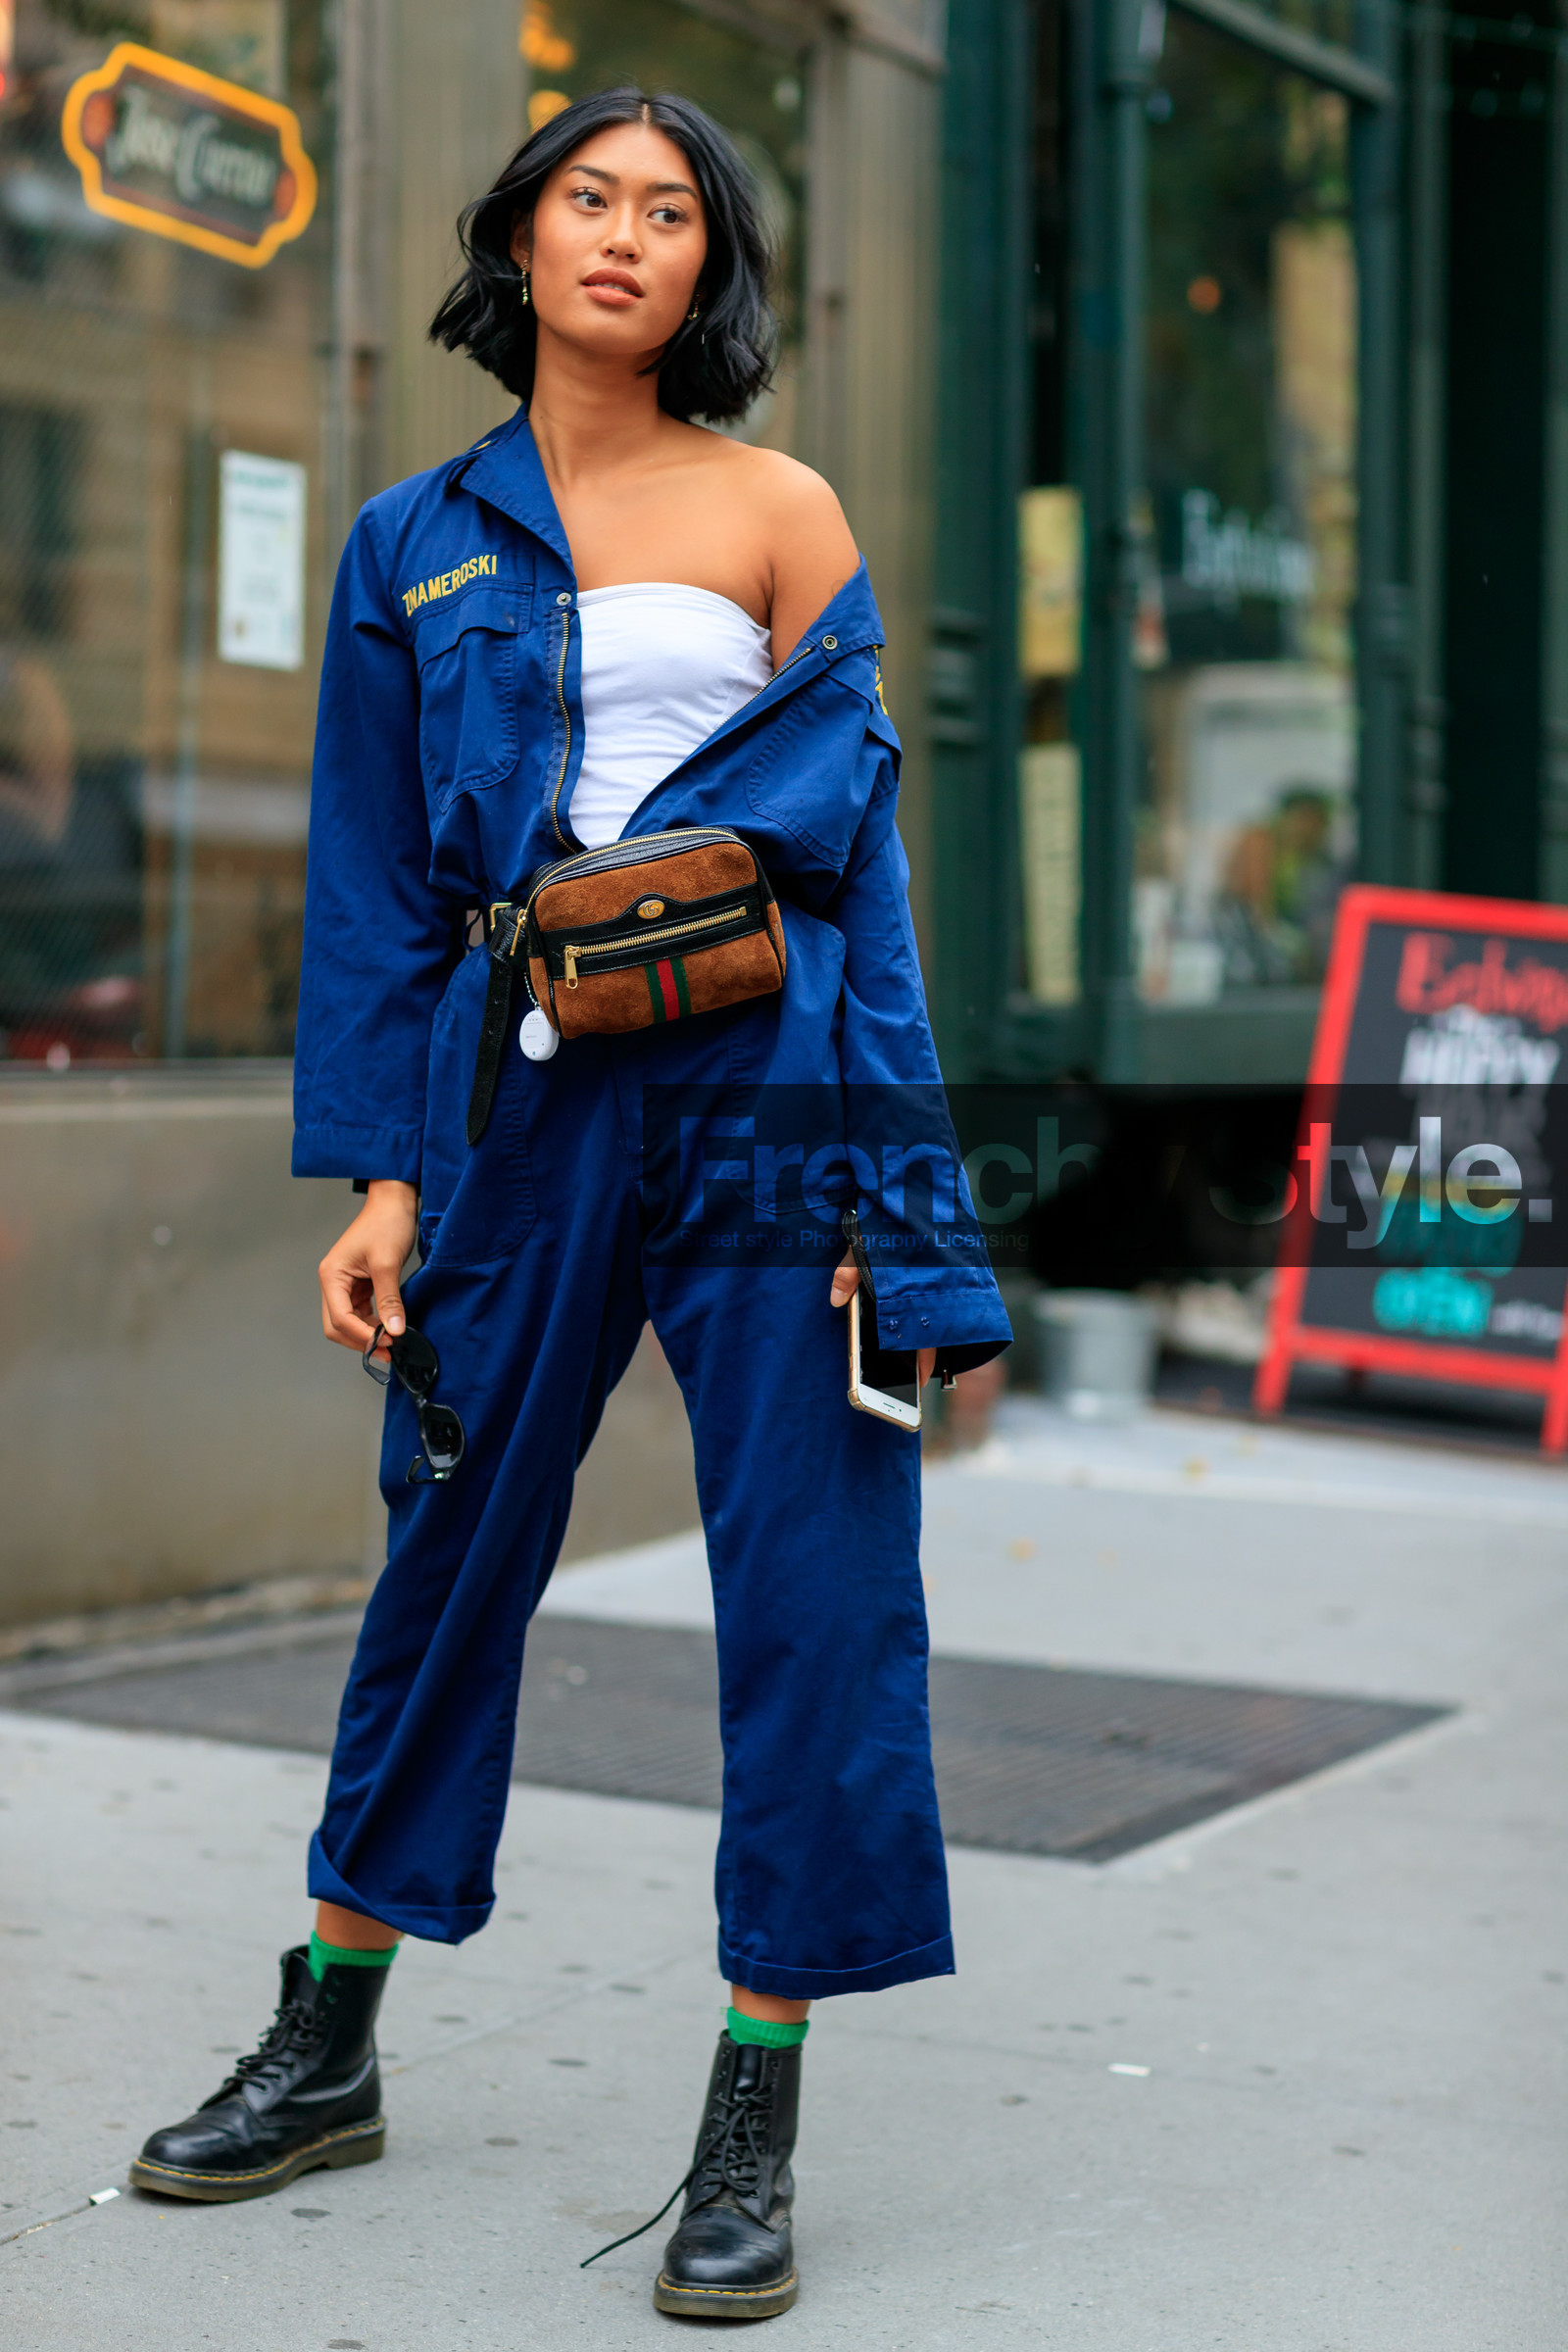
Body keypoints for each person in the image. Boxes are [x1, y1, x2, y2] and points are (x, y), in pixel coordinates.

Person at [131, 86, 1009, 2320]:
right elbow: (374, 893)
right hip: (516, 1108)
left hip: (762, 1087)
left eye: (672, 213)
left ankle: (752, 2103)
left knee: (809, 1591)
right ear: (518, 240)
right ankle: (325, 2040)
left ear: (712, 271)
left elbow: (866, 891)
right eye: (587, 200)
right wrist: (384, 1176)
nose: (625, 236)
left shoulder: (780, 508)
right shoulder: (414, 540)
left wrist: (898, 1213)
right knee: (443, 1564)